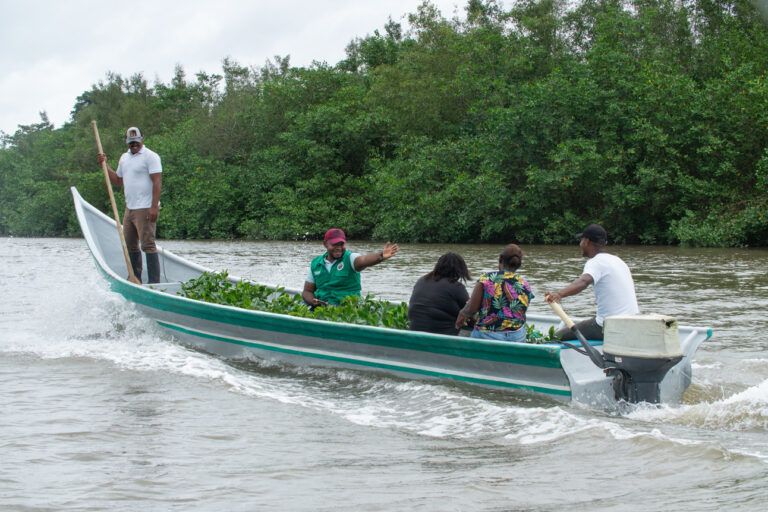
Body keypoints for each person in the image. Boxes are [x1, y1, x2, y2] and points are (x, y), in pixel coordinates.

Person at [545, 224, 639, 341]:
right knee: (588, 322)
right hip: (633, 324)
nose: (580, 244)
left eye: (581, 240)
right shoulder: (618, 260)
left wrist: (559, 294)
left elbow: (584, 281)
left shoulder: (596, 262)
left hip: (607, 327)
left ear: (586, 241)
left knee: (555, 336)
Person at [97, 126, 163, 283]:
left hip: (146, 207)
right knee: (130, 245)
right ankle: (135, 279)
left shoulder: (151, 156)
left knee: (147, 245)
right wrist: (104, 165)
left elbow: (157, 182)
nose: (134, 145)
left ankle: (154, 283)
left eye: (136, 142)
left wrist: (154, 207)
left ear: (141, 139)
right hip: (130, 208)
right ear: (127, 142)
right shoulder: (124, 158)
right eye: (131, 143)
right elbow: (118, 181)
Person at [455, 244, 534, 342]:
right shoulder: (525, 284)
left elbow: (471, 309)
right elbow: (521, 313)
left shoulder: (486, 279)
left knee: (463, 332)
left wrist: (461, 316)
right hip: (517, 337)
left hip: (487, 336)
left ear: (500, 259)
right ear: (519, 263)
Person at [302, 228, 399, 306]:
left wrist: (381, 256)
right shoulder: (315, 264)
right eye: (334, 244)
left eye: (341, 244)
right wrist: (313, 301)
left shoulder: (351, 258)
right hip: (322, 308)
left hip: (348, 309)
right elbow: (307, 291)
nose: (339, 247)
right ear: (325, 244)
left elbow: (364, 260)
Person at [408, 252, 471, 335]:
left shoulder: (422, 280)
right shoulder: (456, 286)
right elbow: (470, 309)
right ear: (459, 270)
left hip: (415, 330)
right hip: (442, 334)